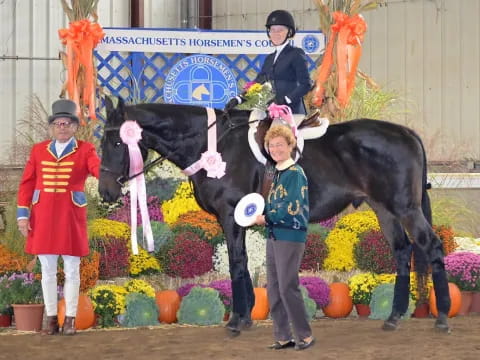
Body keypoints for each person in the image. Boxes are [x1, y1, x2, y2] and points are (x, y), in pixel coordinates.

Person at [16, 99, 100, 335]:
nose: (62, 127)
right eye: (58, 123)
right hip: (42, 217)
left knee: (73, 269)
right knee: (48, 270)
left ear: (75, 127)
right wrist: (23, 216)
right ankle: (51, 319)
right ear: (52, 127)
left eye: (67, 123)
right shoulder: (38, 150)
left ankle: (71, 319)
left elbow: (97, 169)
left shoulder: (85, 149)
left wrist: (116, 169)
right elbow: (26, 184)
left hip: (71, 217)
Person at [254, 124, 315, 351]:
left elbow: (290, 207)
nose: (275, 149)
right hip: (275, 235)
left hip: (290, 235)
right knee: (275, 288)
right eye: (271, 145)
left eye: (280, 144)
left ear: (291, 146)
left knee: (288, 287)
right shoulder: (278, 173)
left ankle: (305, 335)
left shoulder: (294, 174)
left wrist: (264, 218)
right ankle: (282, 336)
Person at [225, 9, 312, 114]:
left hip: (292, 111)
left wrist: (286, 99)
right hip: (273, 111)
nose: (275, 33)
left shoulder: (296, 54)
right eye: (272, 30)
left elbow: (306, 84)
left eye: (280, 30)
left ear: (289, 32)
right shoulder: (269, 58)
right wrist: (239, 98)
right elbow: (258, 82)